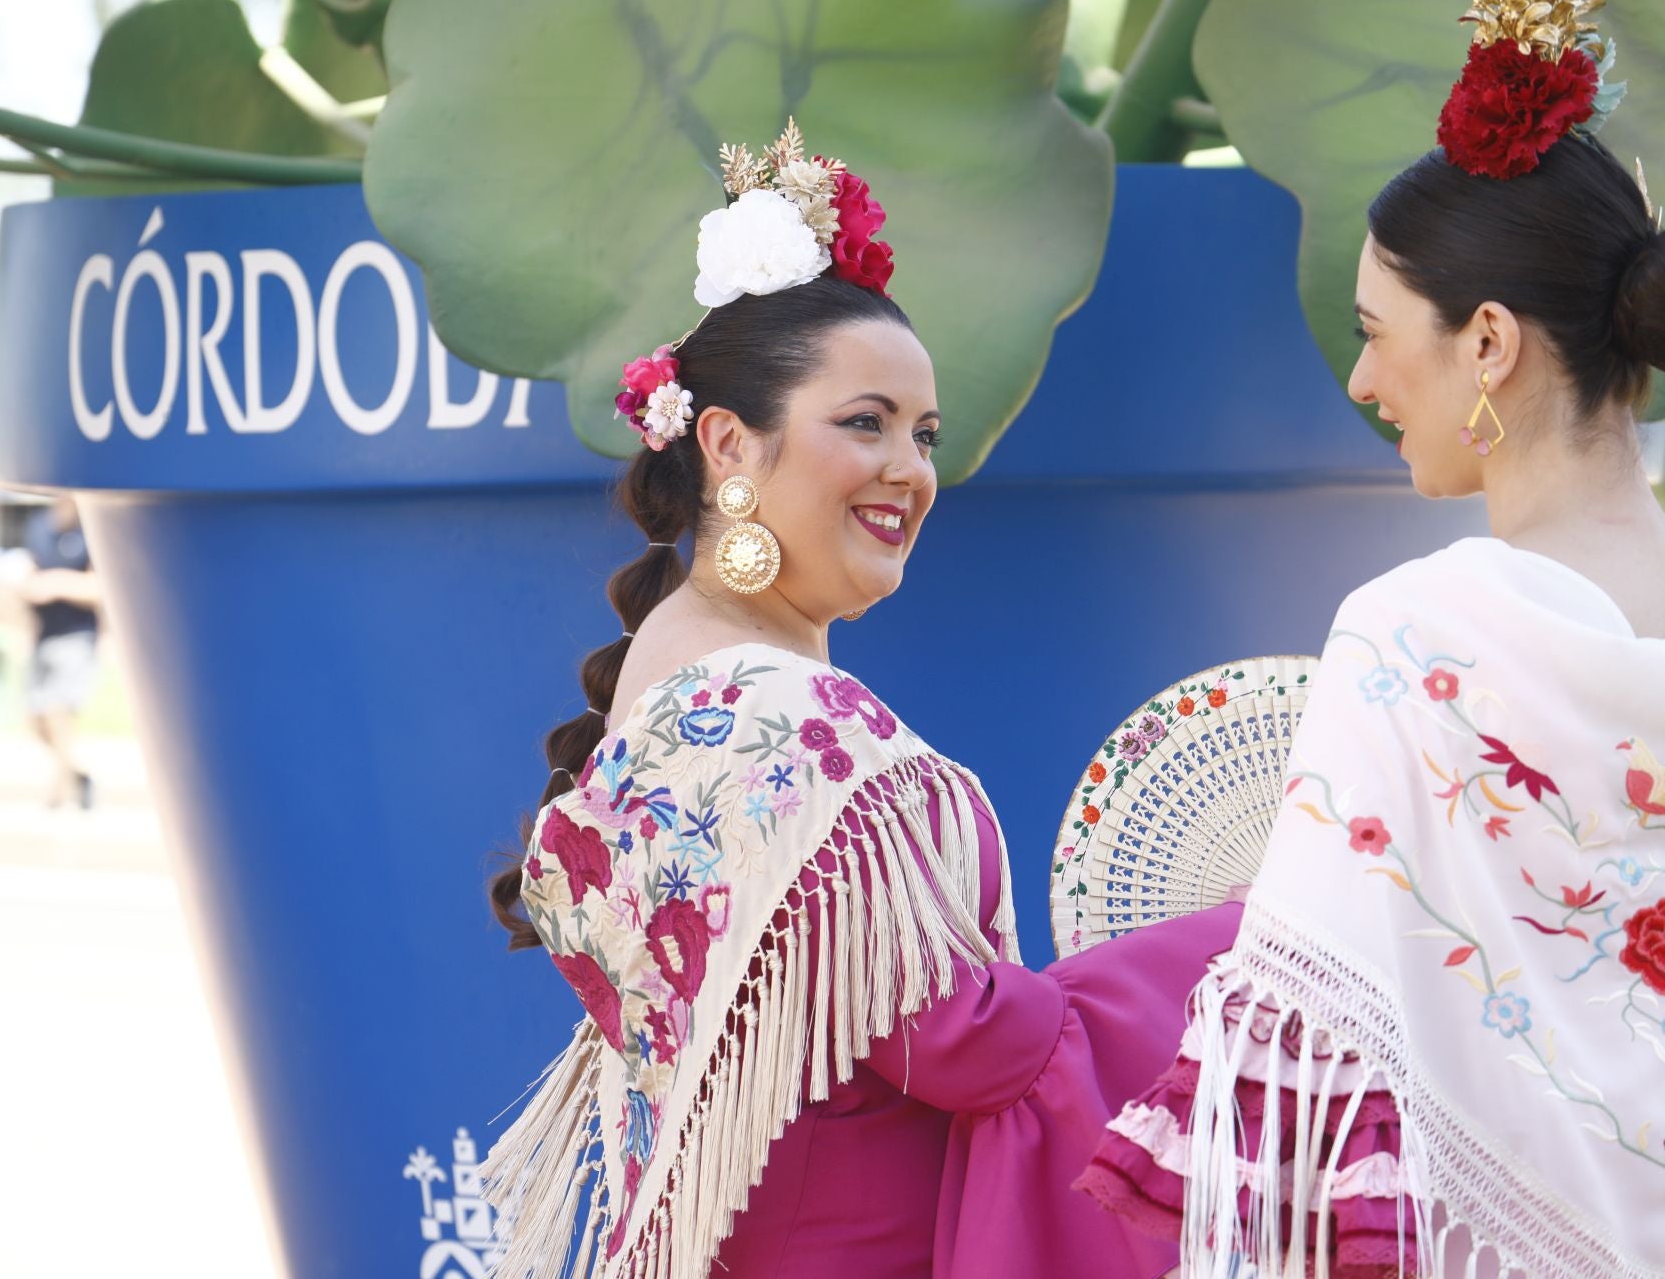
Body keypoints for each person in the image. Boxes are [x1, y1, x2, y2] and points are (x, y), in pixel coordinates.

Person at [480, 121, 1241, 1279]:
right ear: (728, 444)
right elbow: (976, 1046)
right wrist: (1246, 941)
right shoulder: (781, 719)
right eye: (865, 422)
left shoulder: (678, 676)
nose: (909, 468)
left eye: (924, 434)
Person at [1079, 5, 1665, 1276]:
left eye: (1374, 333)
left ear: (1489, 342)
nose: (1361, 381)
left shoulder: (1415, 634)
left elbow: (1319, 1045)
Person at [19, 496, 102, 809]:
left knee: (59, 711)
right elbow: (28, 574)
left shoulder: (90, 529)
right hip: (44, 633)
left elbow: (100, 587)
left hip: (76, 634)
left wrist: (56, 585)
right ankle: (77, 773)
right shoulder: (39, 527)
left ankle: (60, 788)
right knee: (35, 717)